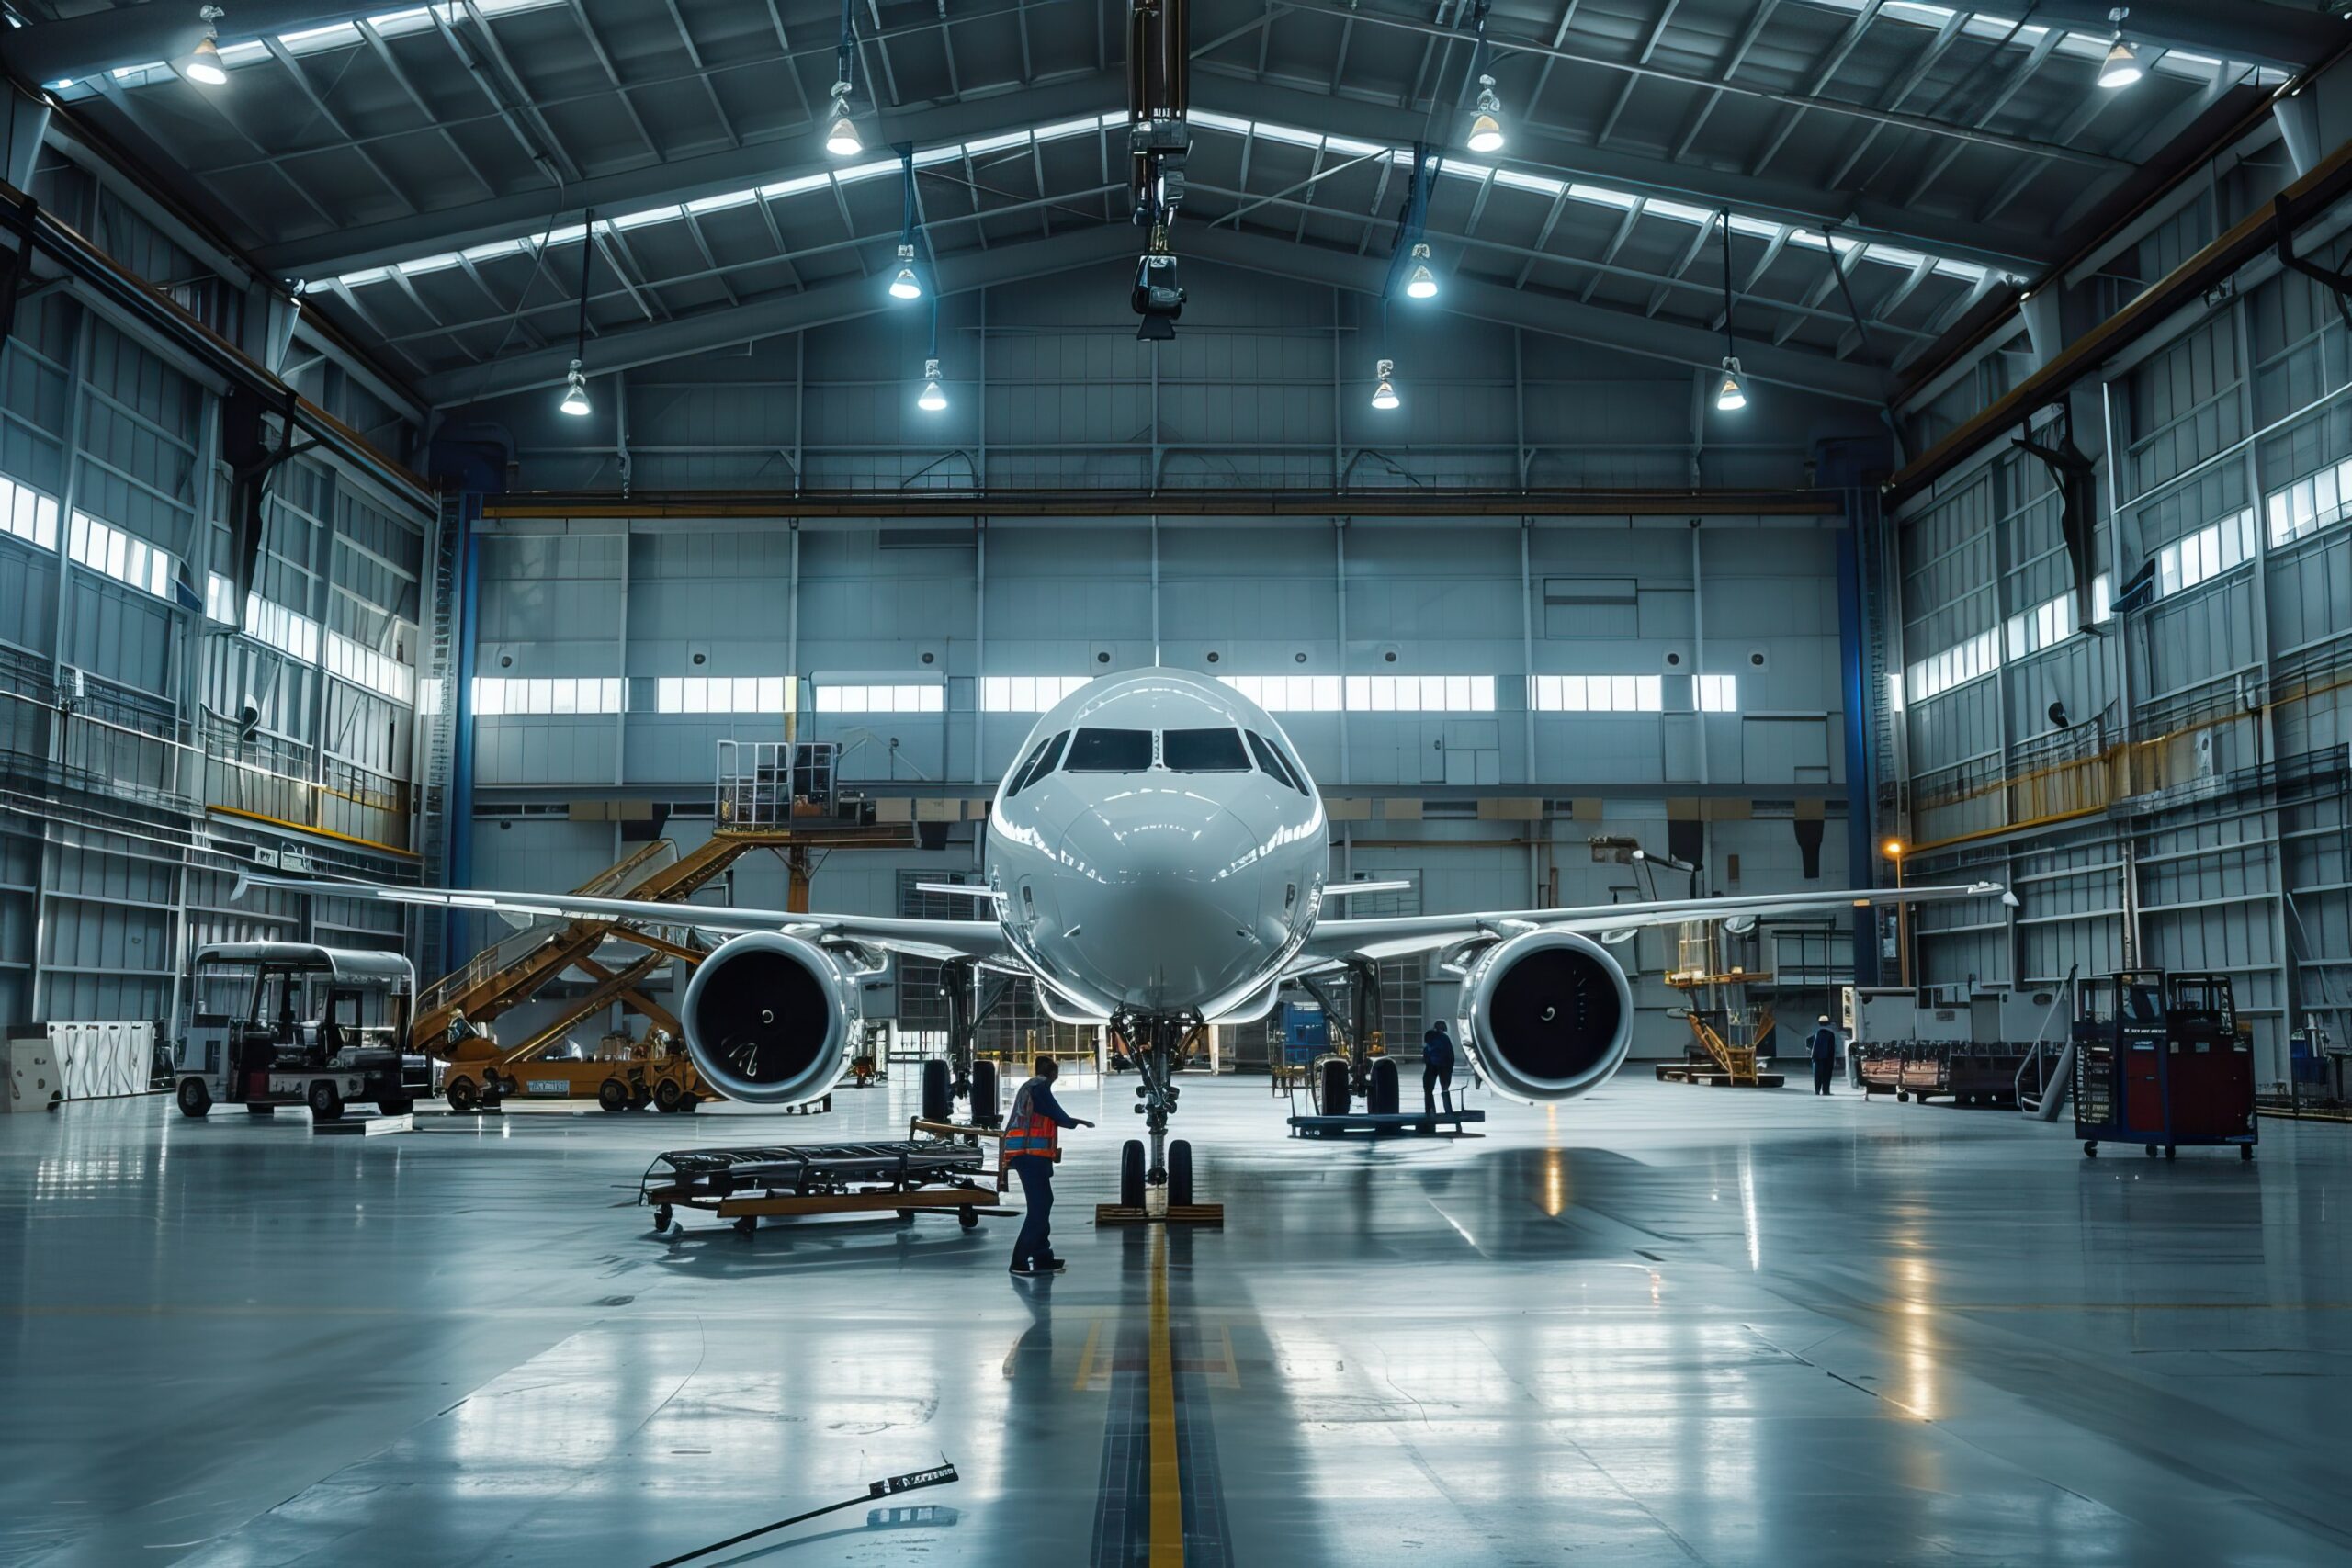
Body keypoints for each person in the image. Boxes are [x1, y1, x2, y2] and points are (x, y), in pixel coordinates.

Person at [1003, 1056, 1092, 1277]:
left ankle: (1043, 1257)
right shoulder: (1039, 1088)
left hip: (1032, 1154)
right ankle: (1019, 1260)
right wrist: (1076, 1122)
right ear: (1053, 1072)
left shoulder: (1032, 1086)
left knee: (1044, 1203)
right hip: (1028, 1153)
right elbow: (1057, 1115)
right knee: (1039, 1207)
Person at [1422, 1018, 1456, 1118]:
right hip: (1445, 1066)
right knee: (1445, 1088)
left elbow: (1426, 1052)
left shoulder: (1429, 1036)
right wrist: (1450, 1069)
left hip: (1431, 1065)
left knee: (1428, 1090)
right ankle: (1448, 1111)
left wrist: (1428, 1061)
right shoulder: (1445, 1039)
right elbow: (1450, 1055)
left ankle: (1430, 1111)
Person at [1808, 1015, 1839, 1096]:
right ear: (1828, 1023)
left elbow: (1808, 1041)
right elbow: (1832, 1048)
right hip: (1827, 1057)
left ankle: (1817, 1091)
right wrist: (1833, 1060)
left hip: (1816, 1057)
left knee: (1817, 1075)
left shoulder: (1815, 1032)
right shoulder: (1831, 1033)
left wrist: (1811, 1050)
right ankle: (1826, 1091)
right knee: (1827, 1074)